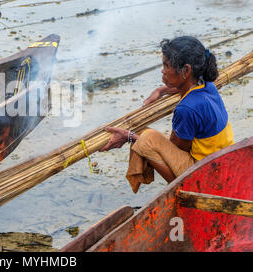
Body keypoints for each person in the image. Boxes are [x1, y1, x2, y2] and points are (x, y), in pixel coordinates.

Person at [100, 36, 234, 193]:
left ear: (186, 70)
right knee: (144, 133)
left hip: (205, 176)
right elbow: (186, 88)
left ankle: (184, 188)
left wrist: (129, 136)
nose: (162, 70)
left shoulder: (186, 109)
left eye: (166, 65)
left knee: (146, 140)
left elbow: (177, 151)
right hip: (224, 162)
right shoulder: (207, 85)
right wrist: (161, 90)